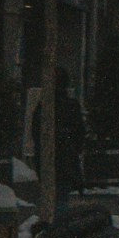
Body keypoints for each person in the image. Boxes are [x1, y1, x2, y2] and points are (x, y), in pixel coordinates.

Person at [28, 64, 88, 199]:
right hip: (67, 159)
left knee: (50, 198)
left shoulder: (43, 106)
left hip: (47, 160)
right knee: (61, 196)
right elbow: (80, 134)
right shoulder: (71, 106)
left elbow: (36, 133)